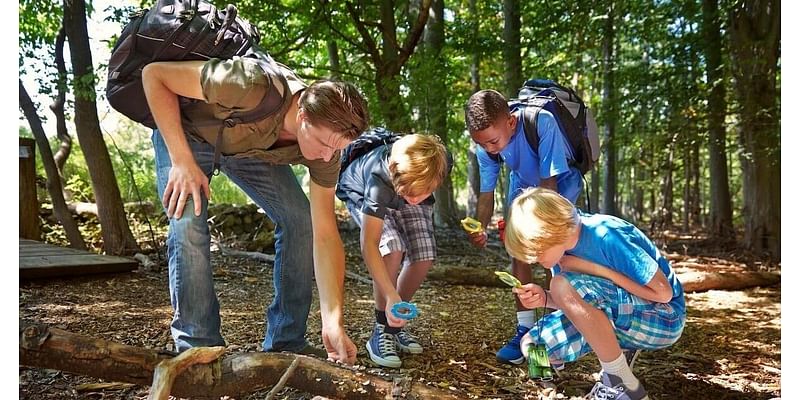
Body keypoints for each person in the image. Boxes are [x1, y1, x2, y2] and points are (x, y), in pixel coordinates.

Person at [140, 52, 369, 364]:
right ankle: (198, 349)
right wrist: (181, 161)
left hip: (250, 151)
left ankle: (287, 339)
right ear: (302, 117)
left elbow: (326, 235)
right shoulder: (249, 84)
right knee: (188, 220)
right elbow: (155, 74)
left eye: (338, 150)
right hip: (188, 136)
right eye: (325, 144)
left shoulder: (327, 150)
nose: (329, 158)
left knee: (302, 220)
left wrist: (332, 322)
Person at [504, 187, 685, 399]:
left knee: (561, 284)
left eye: (536, 250)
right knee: (531, 346)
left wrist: (594, 269)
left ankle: (623, 384)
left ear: (551, 231)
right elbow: (576, 302)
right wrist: (545, 298)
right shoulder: (560, 251)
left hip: (664, 317)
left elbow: (663, 293)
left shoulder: (605, 234)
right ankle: (547, 386)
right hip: (614, 315)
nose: (533, 259)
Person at [463, 89, 583, 365]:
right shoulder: (486, 147)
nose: (490, 149)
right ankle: (526, 328)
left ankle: (554, 330)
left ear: (511, 122)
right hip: (522, 184)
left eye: (493, 142)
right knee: (518, 251)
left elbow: (549, 184)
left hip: (558, 185)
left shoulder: (541, 123)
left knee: (554, 253)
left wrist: (539, 231)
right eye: (482, 144)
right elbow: (486, 193)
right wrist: (480, 226)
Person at [335, 129, 451, 368]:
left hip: (405, 186)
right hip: (362, 191)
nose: (417, 200)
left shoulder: (439, 162)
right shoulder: (378, 179)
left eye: (425, 193)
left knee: (424, 254)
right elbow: (369, 245)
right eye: (413, 195)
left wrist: (416, 193)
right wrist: (390, 294)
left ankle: (394, 322)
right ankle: (381, 330)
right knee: (392, 247)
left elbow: (417, 194)